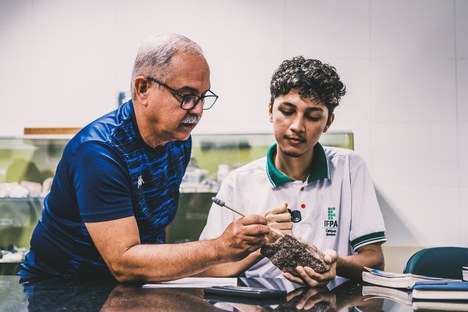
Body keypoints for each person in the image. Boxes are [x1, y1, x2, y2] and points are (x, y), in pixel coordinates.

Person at [19, 33, 272, 283]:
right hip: (61, 291)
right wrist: (219, 248)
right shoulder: (100, 152)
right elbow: (124, 263)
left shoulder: (177, 141)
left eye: (203, 97)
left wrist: (258, 244)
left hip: (127, 286)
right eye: (186, 96)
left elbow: (156, 225)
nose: (197, 109)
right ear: (143, 89)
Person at [199, 56, 387, 287]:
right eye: (287, 111)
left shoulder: (349, 168)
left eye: (313, 116)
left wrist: (336, 264)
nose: (297, 126)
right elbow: (209, 268)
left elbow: (375, 261)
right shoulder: (238, 182)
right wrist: (262, 243)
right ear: (270, 110)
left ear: (328, 122)